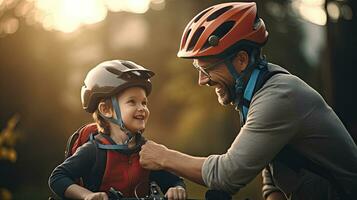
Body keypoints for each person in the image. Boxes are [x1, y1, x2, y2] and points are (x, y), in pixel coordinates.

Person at [139, 2, 357, 200]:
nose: (201, 80)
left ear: (241, 60)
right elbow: (270, 161)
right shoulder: (258, 91)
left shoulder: (278, 96)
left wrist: (164, 157)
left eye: (206, 69)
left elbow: (227, 174)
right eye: (198, 69)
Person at [49, 60, 186, 200]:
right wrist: (87, 196)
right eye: (132, 101)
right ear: (106, 110)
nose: (142, 108)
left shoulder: (147, 151)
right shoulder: (94, 151)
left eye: (144, 102)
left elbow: (174, 181)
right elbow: (57, 178)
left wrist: (176, 188)